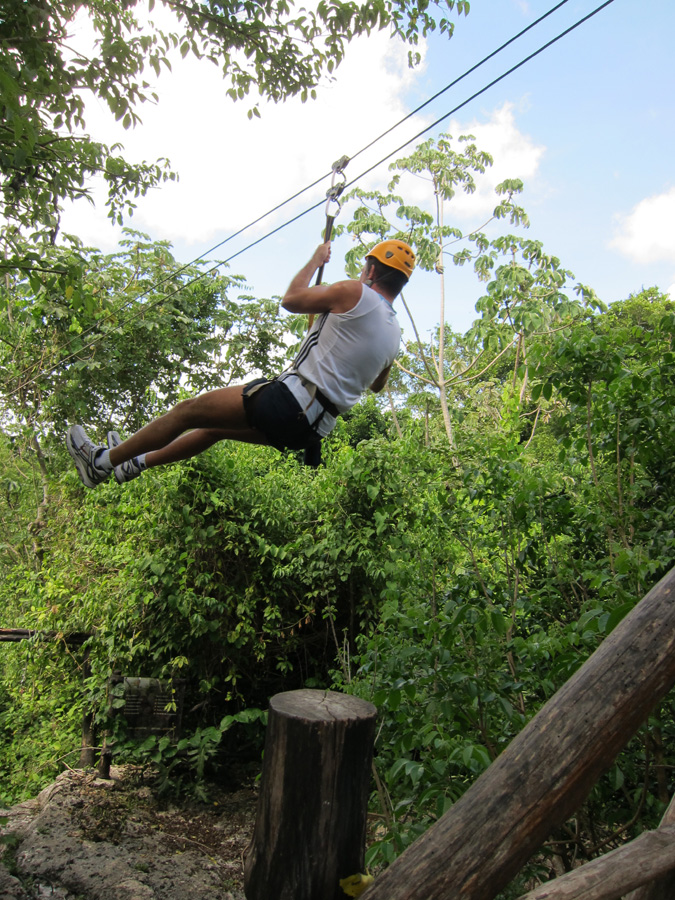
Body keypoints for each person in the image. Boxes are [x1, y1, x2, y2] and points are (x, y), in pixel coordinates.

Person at [66, 238, 415, 488]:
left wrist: (315, 260)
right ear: (399, 284)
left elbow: (291, 299)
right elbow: (376, 384)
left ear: (370, 270)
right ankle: (134, 464)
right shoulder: (394, 333)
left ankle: (99, 462)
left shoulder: (355, 292)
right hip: (311, 431)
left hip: (289, 403)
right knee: (213, 431)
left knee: (187, 410)